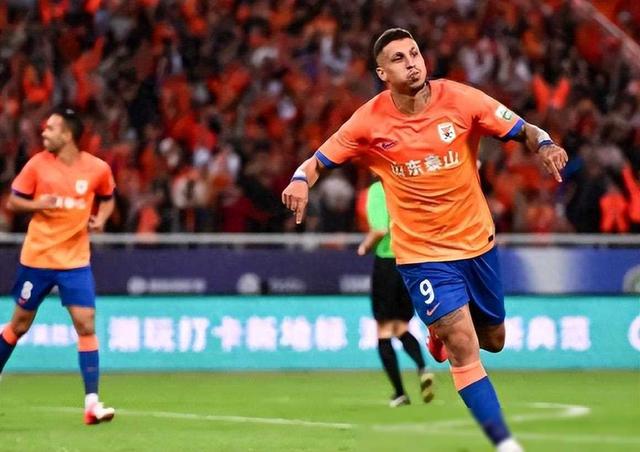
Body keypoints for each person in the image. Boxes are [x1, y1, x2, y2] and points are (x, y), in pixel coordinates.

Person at [282, 28, 568, 452]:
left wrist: (544, 145)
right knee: (464, 347)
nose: (412, 63)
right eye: (398, 58)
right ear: (382, 73)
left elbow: (524, 128)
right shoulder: (369, 120)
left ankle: (436, 332)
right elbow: (317, 160)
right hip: (421, 254)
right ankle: (505, 444)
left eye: (414, 53)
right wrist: (299, 180)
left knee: (494, 341)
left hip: (476, 243)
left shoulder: (462, 100)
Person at [0, 107, 116, 425]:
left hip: (75, 261)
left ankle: (92, 404)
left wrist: (102, 219)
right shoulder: (37, 165)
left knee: (86, 324)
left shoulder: (97, 169)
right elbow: (13, 201)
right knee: (18, 325)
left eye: (50, 128)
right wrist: (37, 204)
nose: (44, 133)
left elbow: (108, 197)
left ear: (67, 134)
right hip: (37, 258)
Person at [358, 179, 434, 408]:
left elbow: (380, 228)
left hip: (387, 262)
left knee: (384, 330)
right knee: (401, 327)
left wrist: (364, 246)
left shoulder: (378, 189)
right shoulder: (406, 184)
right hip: (409, 261)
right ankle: (423, 367)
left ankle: (400, 393)